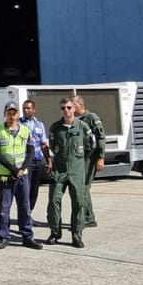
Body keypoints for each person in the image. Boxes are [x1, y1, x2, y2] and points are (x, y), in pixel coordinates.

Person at [0, 102, 43, 249]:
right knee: (4, 208)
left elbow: (31, 151)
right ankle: (3, 236)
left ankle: (27, 237)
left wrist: (22, 168)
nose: (12, 115)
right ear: (5, 113)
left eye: (14, 112)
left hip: (22, 175)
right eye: (9, 112)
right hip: (5, 176)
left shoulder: (26, 131)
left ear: (18, 114)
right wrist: (13, 169)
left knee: (25, 206)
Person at [48, 96, 99, 246]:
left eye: (69, 107)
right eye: (63, 108)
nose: (66, 111)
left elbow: (91, 146)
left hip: (77, 171)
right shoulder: (55, 127)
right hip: (60, 170)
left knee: (78, 202)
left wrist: (79, 160)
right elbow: (52, 146)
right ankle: (55, 233)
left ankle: (77, 235)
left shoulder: (82, 127)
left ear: (74, 108)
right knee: (53, 201)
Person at [72, 94, 107, 228]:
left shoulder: (92, 118)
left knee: (84, 187)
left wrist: (101, 157)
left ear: (79, 105)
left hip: (90, 158)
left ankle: (88, 217)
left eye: (72, 105)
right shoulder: (76, 120)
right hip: (80, 158)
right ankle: (87, 216)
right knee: (81, 187)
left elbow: (101, 138)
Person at [21, 99, 51, 213]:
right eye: (24, 108)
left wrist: (49, 160)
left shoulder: (40, 125)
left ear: (34, 110)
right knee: (25, 189)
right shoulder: (19, 123)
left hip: (38, 160)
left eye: (28, 108)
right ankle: (24, 215)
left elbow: (43, 144)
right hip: (25, 161)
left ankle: (29, 213)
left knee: (34, 190)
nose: (26, 110)